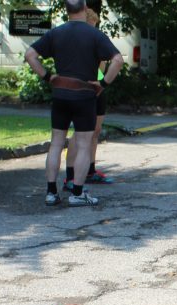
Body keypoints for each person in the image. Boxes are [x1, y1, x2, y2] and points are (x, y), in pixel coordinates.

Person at [24, 0, 123, 207]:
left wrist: (48, 77)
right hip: (85, 96)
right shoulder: (94, 34)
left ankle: (51, 192)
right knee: (84, 145)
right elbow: (117, 60)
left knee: (56, 143)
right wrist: (103, 83)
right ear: (85, 8)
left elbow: (30, 55)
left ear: (66, 9)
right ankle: (77, 193)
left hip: (60, 94)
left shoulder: (56, 33)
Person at [63, 7, 114, 194]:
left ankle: (90, 171)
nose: (93, 30)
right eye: (90, 26)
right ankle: (70, 176)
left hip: (98, 87)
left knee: (95, 131)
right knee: (79, 133)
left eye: (95, 26)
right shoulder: (73, 42)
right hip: (82, 90)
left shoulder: (96, 39)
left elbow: (103, 66)